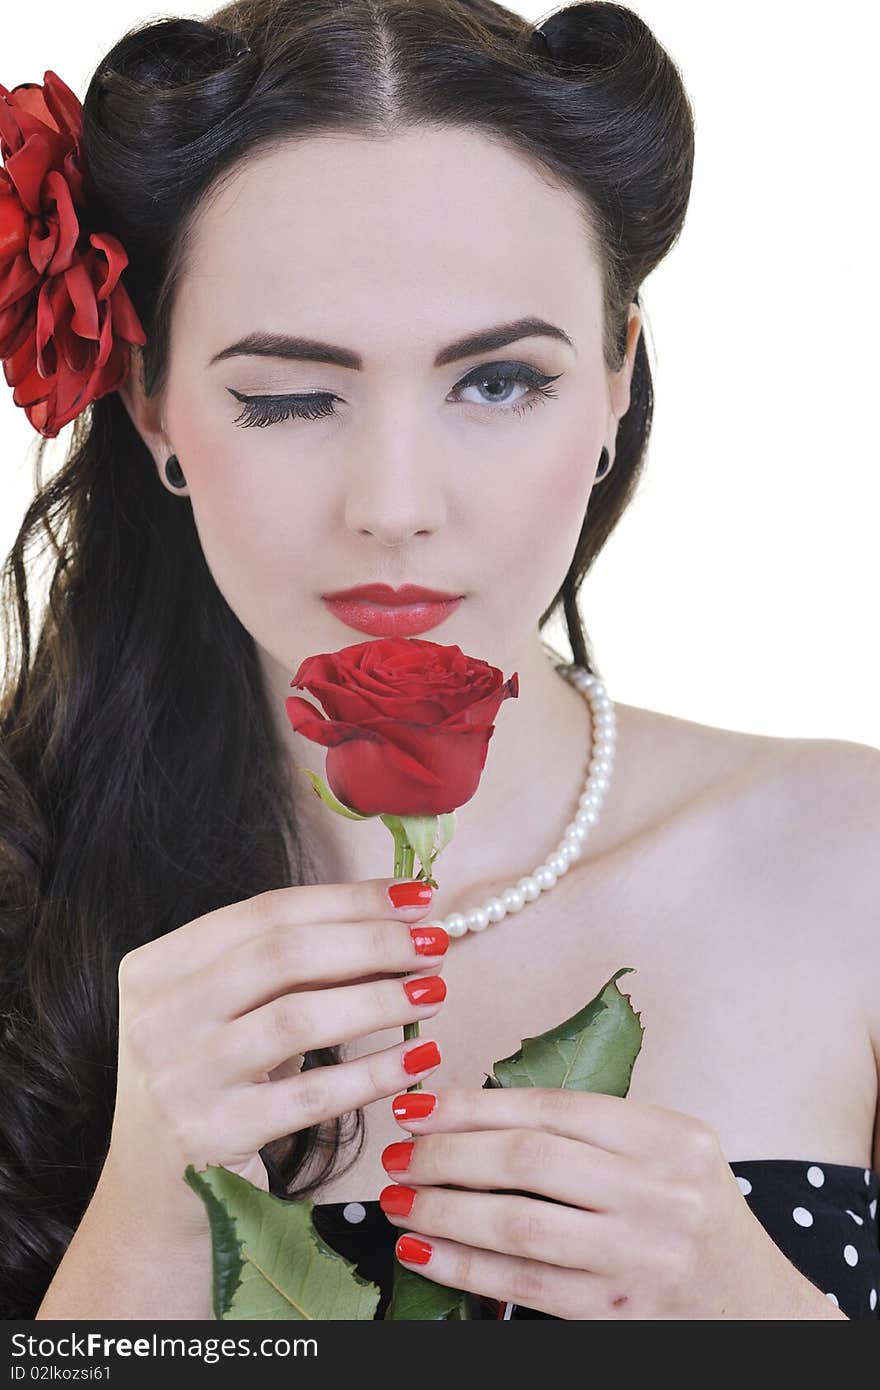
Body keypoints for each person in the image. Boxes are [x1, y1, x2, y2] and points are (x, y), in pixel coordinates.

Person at [0, 0, 877, 1323]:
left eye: (499, 381)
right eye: (292, 396)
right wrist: (144, 1237)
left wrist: (771, 1325)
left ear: (615, 376)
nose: (396, 502)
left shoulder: (851, 860)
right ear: (151, 404)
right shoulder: (28, 868)